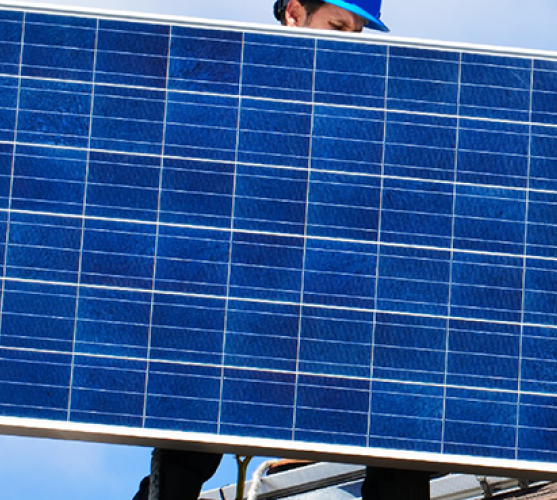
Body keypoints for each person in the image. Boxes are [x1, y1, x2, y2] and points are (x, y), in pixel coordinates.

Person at [132, 3, 434, 499]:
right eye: (338, 26)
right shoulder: (223, 83)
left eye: (357, 32)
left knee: (406, 435)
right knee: (190, 430)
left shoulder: (373, 112)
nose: (347, 41)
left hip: (339, 311)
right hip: (236, 305)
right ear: (294, 12)